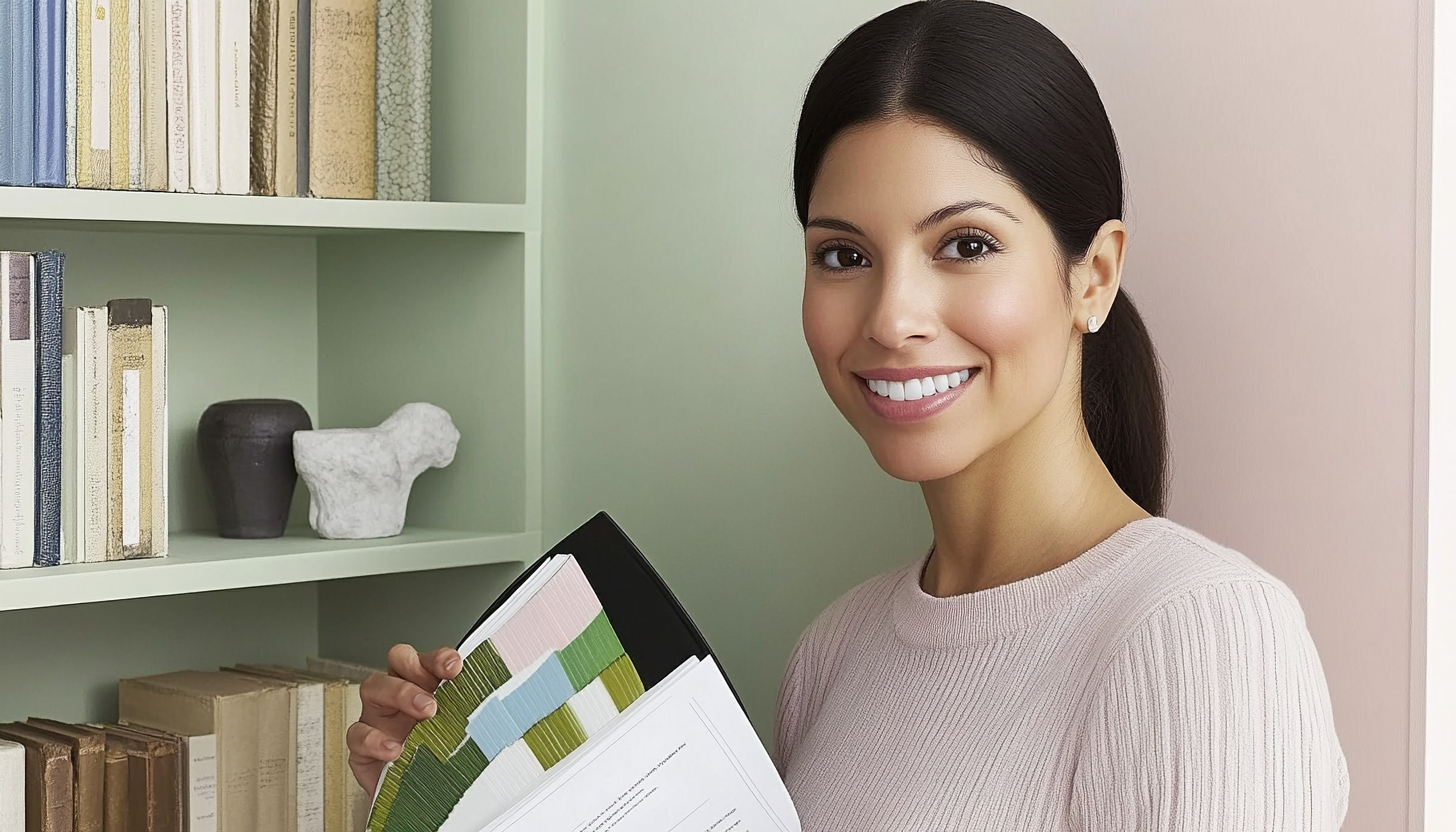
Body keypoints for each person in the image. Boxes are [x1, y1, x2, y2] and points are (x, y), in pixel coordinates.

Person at [345, 1, 1350, 829]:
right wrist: (468, 798)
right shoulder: (836, 652)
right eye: (843, 254)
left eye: (963, 244)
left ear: (1092, 275)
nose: (891, 317)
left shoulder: (1200, 631)